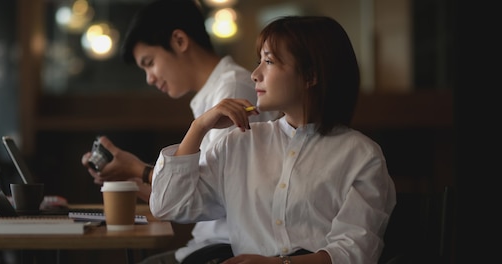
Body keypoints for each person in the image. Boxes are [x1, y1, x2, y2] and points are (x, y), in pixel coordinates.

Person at [149, 16, 397, 264]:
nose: (255, 74)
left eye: (269, 61)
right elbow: (169, 206)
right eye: (259, 62)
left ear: (310, 75)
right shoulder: (240, 143)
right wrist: (199, 127)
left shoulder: (361, 155)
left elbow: (354, 252)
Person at [80, 1, 280, 263]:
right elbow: (192, 195)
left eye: (149, 63)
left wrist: (138, 170)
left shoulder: (233, 89)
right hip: (211, 243)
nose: (150, 79)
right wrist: (128, 178)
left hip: (230, 247)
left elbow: (213, 196)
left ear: (179, 40)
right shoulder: (213, 93)